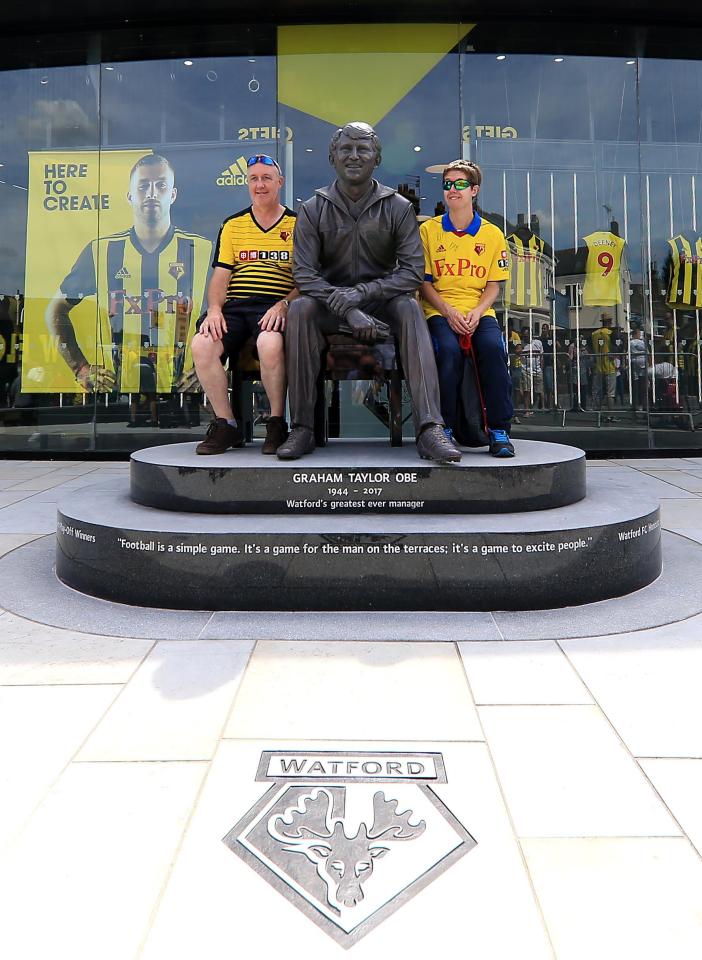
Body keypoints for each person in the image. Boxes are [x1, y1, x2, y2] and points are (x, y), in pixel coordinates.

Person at [278, 121, 460, 462]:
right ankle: (302, 427)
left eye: (363, 150)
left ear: (377, 158)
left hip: (381, 303)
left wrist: (361, 294)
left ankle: (429, 427)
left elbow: (411, 272)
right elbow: (304, 273)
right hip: (329, 306)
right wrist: (347, 308)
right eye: (345, 149)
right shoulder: (313, 208)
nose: (354, 156)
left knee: (409, 308)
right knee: (300, 309)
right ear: (332, 156)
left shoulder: (398, 207)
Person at [46, 154, 211, 414]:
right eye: (143, 186)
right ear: (130, 196)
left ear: (173, 194)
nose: (152, 193)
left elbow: (230, 313)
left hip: (186, 397)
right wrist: (81, 369)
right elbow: (54, 311)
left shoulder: (201, 251)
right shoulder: (102, 252)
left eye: (161, 185)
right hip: (115, 401)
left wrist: (212, 367)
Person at [190, 154, 297, 455]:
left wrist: (284, 305)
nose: (260, 184)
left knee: (270, 345)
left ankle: (277, 424)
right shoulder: (233, 225)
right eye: (254, 179)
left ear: (280, 182)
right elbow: (221, 276)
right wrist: (213, 310)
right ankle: (227, 425)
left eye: (266, 178)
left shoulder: (298, 224)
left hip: (274, 306)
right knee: (202, 345)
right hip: (235, 307)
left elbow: (306, 281)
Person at [419, 160, 514, 456]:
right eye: (448, 184)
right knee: (446, 353)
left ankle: (498, 431)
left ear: (474, 190)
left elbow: (494, 285)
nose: (452, 190)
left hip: (479, 312)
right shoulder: (428, 231)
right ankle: (443, 429)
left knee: (493, 350)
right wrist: (448, 311)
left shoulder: (492, 234)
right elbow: (423, 283)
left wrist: (476, 312)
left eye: (460, 184)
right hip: (440, 311)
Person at [591, 313, 616, 413]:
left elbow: (589, 347)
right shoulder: (611, 333)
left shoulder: (594, 334)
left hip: (598, 366)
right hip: (609, 366)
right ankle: (611, 414)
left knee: (597, 392)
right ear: (609, 322)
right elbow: (615, 347)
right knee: (610, 393)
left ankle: (598, 413)